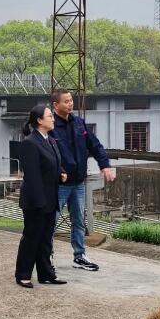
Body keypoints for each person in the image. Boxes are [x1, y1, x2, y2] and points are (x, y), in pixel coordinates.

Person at [50, 89, 115, 271]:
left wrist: (104, 165)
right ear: (56, 105)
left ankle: (79, 256)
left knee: (78, 221)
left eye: (71, 100)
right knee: (50, 222)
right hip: (59, 185)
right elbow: (47, 155)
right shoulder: (51, 127)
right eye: (66, 101)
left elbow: (95, 145)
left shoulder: (79, 123)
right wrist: (60, 172)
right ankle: (46, 256)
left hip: (78, 183)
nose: (70, 104)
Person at [15, 105, 67, 289]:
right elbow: (32, 175)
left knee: (46, 239)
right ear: (39, 120)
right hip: (35, 200)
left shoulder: (50, 140)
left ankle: (46, 274)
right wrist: (39, 202)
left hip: (50, 198)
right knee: (32, 238)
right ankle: (23, 274)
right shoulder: (30, 142)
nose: (53, 119)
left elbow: (53, 164)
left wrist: (61, 173)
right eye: (49, 116)